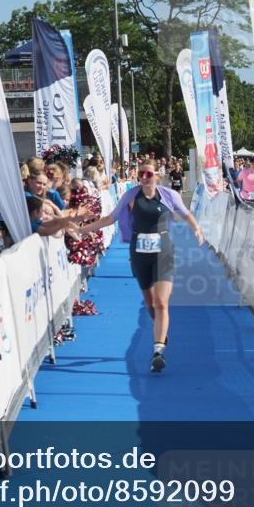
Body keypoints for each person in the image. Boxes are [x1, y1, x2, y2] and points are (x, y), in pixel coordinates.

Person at [76, 160, 204, 374]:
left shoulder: (168, 195)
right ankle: (160, 330)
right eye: (141, 174)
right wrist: (83, 230)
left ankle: (158, 351)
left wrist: (197, 228)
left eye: (149, 174)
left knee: (162, 303)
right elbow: (110, 218)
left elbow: (185, 213)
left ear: (157, 175)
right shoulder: (131, 195)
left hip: (163, 252)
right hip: (139, 253)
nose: (145, 177)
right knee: (150, 303)